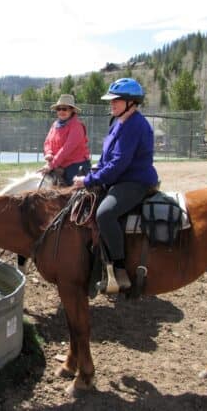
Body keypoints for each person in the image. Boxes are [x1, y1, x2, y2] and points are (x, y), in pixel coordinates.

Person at [72, 78, 159, 292]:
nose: (111, 104)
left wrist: (89, 180)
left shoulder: (135, 125)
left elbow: (119, 164)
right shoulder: (118, 122)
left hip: (134, 181)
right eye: (111, 101)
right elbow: (106, 158)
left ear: (131, 102)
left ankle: (119, 269)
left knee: (104, 214)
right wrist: (95, 171)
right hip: (119, 177)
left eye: (116, 101)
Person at [40, 94, 91, 186]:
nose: (61, 111)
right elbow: (47, 142)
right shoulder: (55, 124)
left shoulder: (76, 126)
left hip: (75, 165)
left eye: (64, 109)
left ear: (71, 110)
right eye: (58, 109)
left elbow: (66, 149)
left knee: (71, 194)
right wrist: (48, 153)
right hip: (57, 163)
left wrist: (51, 165)